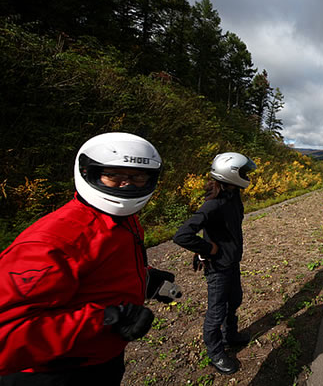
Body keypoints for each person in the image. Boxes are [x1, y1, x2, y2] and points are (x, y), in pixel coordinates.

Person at [0, 132, 178, 385]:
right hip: (54, 373)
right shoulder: (52, 242)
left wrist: (146, 278)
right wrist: (105, 319)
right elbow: (5, 337)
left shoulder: (123, 219)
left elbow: (99, 267)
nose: (127, 185)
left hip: (101, 360)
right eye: (114, 175)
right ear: (89, 172)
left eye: (138, 177)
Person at [173, 152, 257, 375]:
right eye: (243, 172)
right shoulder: (213, 204)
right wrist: (206, 248)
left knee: (235, 299)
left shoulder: (233, 194)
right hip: (218, 268)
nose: (247, 176)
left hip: (232, 262)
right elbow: (182, 235)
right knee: (216, 312)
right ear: (231, 174)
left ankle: (231, 335)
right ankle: (216, 353)